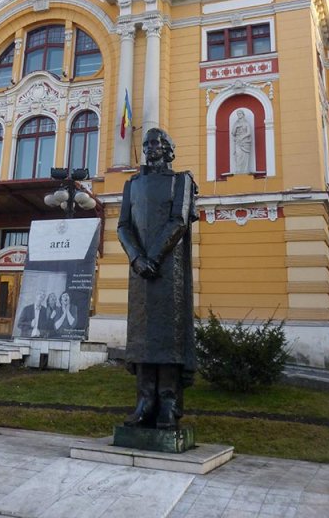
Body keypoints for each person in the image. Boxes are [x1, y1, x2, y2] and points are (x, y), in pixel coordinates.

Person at [117, 128, 197, 430]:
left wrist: (154, 257)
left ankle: (168, 402)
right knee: (142, 337)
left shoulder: (181, 181)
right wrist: (137, 258)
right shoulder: (132, 185)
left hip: (168, 270)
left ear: (168, 149)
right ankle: (144, 400)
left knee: (167, 337)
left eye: (157, 143)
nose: (151, 148)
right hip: (140, 272)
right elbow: (123, 225)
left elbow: (179, 220)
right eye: (148, 144)